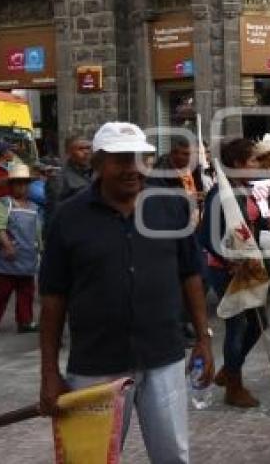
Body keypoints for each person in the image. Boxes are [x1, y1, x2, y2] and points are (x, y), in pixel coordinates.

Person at [38, 122, 213, 463]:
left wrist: (204, 338)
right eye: (121, 159)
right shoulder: (68, 218)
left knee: (173, 455)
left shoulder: (170, 206)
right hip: (96, 363)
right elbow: (52, 296)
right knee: (88, 459)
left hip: (164, 357)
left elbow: (190, 274)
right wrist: (49, 372)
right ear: (99, 164)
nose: (133, 168)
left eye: (140, 157)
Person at [199, 138, 266, 408]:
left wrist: (267, 222)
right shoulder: (220, 193)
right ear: (238, 164)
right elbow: (205, 235)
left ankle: (230, 369)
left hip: (248, 266)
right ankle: (234, 386)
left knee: (259, 322)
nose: (257, 165)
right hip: (226, 270)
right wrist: (227, 259)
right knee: (237, 326)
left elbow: (247, 221)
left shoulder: (241, 188)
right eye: (253, 160)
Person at [0, 164, 42, 334]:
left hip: (27, 258)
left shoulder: (34, 207)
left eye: (25, 183)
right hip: (7, 258)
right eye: (17, 183)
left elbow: (37, 233)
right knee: (3, 291)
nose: (22, 187)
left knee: (26, 291)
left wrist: (40, 250)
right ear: (10, 185)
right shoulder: (4, 204)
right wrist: (7, 245)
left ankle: (25, 321)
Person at [45, 135, 92, 221]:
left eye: (88, 148)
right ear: (69, 153)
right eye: (81, 149)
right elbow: (53, 212)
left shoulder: (96, 174)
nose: (86, 152)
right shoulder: (58, 178)